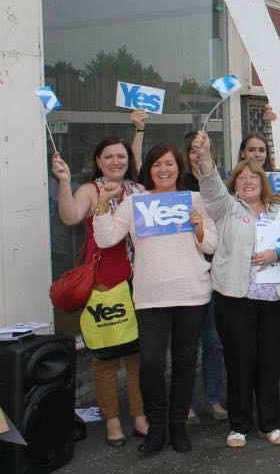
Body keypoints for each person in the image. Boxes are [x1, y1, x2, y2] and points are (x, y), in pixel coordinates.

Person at [93, 143, 218, 454]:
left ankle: (178, 426)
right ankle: (157, 426)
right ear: (148, 169)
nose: (164, 170)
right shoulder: (135, 203)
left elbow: (212, 246)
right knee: (150, 362)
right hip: (150, 296)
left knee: (185, 361)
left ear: (179, 168)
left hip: (192, 293)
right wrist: (102, 205)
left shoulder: (196, 199)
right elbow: (106, 238)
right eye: (157, 164)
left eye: (170, 164)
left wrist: (200, 229)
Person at [193, 130, 280, 448]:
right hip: (235, 299)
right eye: (241, 177)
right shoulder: (227, 209)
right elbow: (212, 186)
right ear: (235, 184)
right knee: (239, 361)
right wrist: (204, 158)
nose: (247, 181)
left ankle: (270, 423)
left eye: (252, 177)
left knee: (269, 363)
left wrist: (278, 252)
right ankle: (239, 425)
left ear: (263, 182)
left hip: (273, 301)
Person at [51, 131, 149, 446]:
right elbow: (70, 216)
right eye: (108, 156)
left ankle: (139, 415)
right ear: (98, 161)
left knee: (138, 356)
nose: (116, 161)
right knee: (106, 359)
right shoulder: (90, 190)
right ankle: (111, 422)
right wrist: (64, 181)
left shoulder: (139, 189)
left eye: (121, 156)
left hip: (139, 280)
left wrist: (139, 130)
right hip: (104, 283)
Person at [182, 133, 228, 426]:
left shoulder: (216, 185)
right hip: (185, 271)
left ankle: (213, 399)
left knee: (214, 342)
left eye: (202, 149)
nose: (197, 154)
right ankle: (184, 403)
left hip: (213, 269)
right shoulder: (176, 186)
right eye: (192, 150)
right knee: (186, 345)